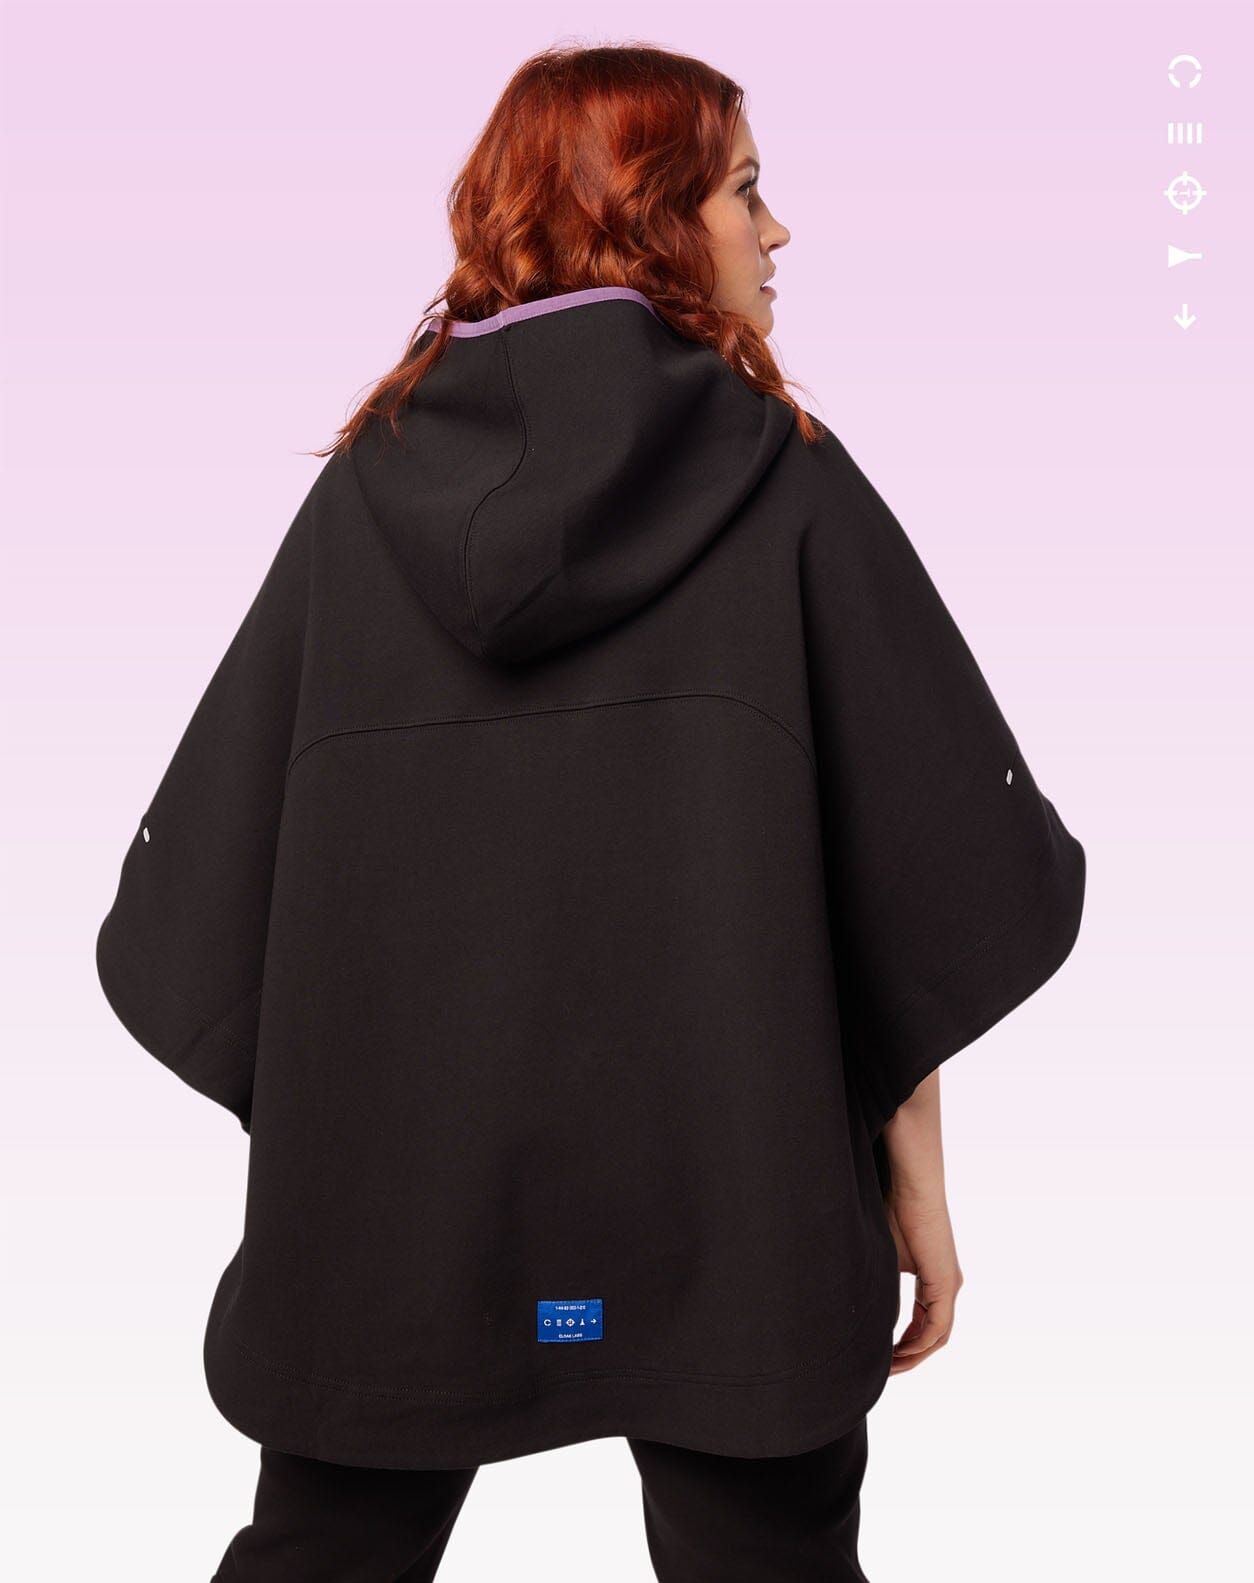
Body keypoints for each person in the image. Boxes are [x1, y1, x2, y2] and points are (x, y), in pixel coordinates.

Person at [95, 43, 1087, 1583]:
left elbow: (210, 905)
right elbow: (919, 880)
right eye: (743, 190)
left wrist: (355, 1136)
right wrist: (919, 1197)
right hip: (735, 1198)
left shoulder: (362, 502)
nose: (775, 229)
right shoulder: (790, 485)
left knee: (325, 1551)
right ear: (650, 218)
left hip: (403, 1209)